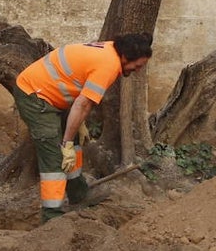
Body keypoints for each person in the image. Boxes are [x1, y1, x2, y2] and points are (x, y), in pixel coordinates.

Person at [12, 32, 153, 222]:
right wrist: (66, 142)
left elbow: (80, 88)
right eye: (138, 66)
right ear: (126, 57)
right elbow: (83, 104)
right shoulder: (108, 65)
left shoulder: (112, 49)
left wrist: (77, 130)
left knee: (74, 145)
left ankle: (78, 193)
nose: (138, 70)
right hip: (35, 96)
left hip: (51, 94)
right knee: (55, 155)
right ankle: (51, 215)